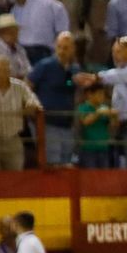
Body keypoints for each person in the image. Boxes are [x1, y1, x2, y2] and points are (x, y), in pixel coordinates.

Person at [28, 34, 81, 166]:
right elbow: (27, 85)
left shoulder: (75, 69)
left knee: (67, 162)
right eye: (60, 47)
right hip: (48, 123)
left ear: (73, 49)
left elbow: (75, 90)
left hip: (67, 124)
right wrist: (32, 105)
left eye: (66, 48)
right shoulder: (44, 65)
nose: (62, 51)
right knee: (53, 163)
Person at [76, 82, 116, 168]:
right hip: (88, 149)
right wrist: (98, 113)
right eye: (99, 94)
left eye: (103, 94)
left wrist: (114, 116)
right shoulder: (83, 107)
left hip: (104, 148)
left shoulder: (105, 107)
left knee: (103, 176)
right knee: (90, 176)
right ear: (90, 94)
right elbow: (85, 121)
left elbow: (113, 126)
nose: (102, 97)